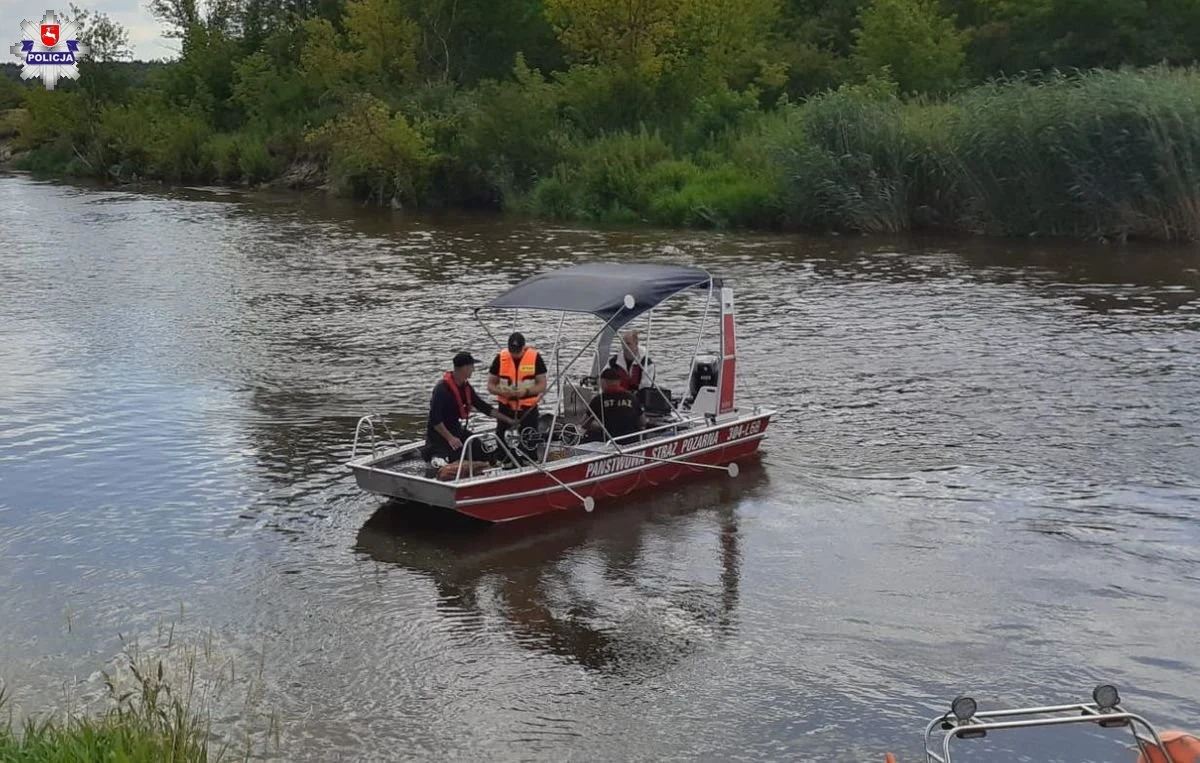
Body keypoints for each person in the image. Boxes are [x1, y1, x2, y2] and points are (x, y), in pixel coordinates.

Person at [425, 351, 514, 464]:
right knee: (454, 456)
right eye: (472, 367)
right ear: (465, 368)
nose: (473, 370)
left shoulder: (465, 387)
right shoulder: (441, 389)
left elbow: (482, 406)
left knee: (481, 450)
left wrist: (507, 419)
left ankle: (492, 461)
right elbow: (435, 420)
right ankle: (438, 458)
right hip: (439, 435)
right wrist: (450, 438)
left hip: (456, 429)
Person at [487, 331, 547, 443]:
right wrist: (502, 392)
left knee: (529, 443)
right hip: (505, 409)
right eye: (512, 351)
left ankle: (528, 457)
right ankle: (503, 458)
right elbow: (490, 386)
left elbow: (542, 385)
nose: (515, 354)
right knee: (502, 443)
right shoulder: (500, 358)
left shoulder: (535, 358)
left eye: (517, 351)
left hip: (528, 409)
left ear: (523, 347)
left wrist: (525, 392)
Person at [583, 366, 645, 442]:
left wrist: (600, 427)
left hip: (609, 441)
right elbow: (642, 422)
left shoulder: (598, 400)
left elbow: (585, 423)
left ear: (603, 382)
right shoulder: (632, 398)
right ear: (619, 382)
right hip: (631, 441)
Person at [607, 329, 655, 393]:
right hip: (617, 397)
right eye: (623, 344)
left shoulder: (647, 364)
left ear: (636, 344)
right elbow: (604, 379)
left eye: (628, 344)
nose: (625, 347)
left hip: (639, 399)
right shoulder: (613, 362)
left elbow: (646, 387)